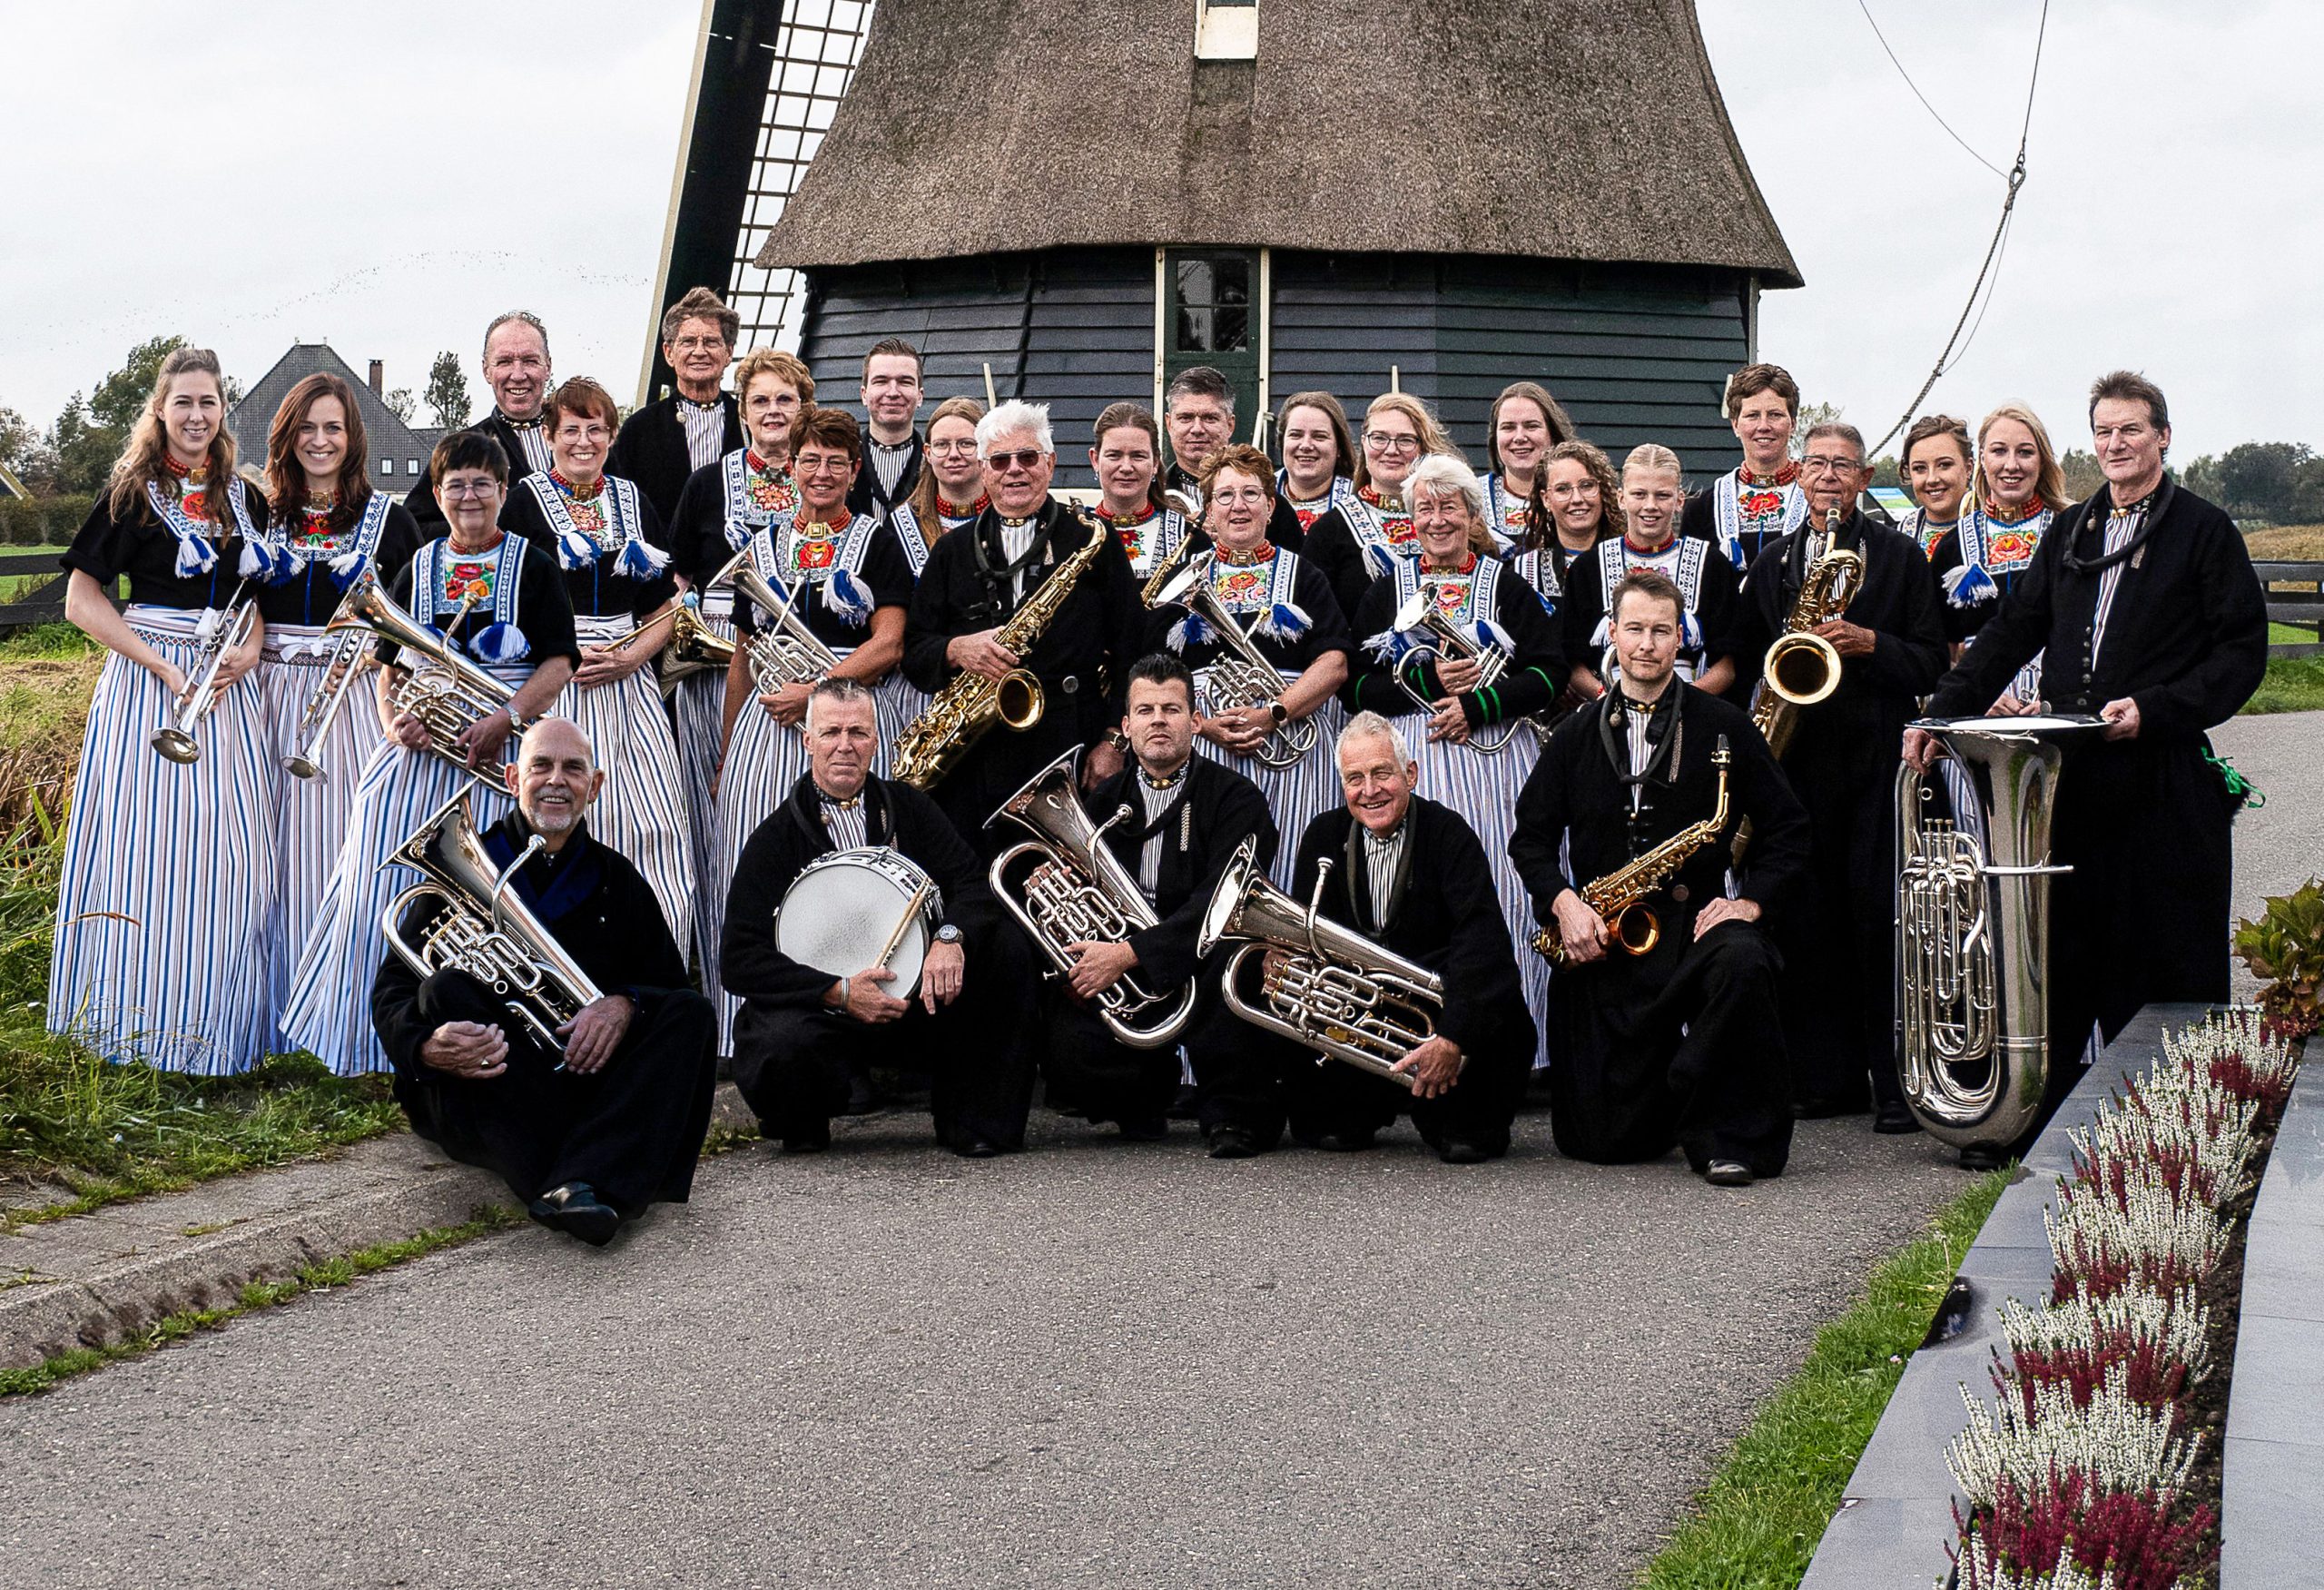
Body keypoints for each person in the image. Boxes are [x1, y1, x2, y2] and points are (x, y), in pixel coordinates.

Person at [1906, 371, 2267, 1158]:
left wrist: (2158, 707)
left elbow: (2242, 655)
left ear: (2163, 436)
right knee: (2066, 953)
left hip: (2163, 776)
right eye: (2103, 432)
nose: (2115, 445)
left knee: (2166, 959)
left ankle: (2174, 1133)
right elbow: (2011, 632)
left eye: (2131, 431)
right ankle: (2050, 1125)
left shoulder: (2206, 530)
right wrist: (1940, 710)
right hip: (2073, 780)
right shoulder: (2071, 533)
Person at [281, 430, 580, 1075]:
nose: (468, 496)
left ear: (503, 492)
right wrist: (394, 721)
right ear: (438, 495)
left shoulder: (535, 563)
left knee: (502, 897)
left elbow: (559, 662)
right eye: (455, 485)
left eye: (481, 484)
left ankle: (500, 1040)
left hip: (502, 754)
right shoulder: (417, 564)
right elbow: (387, 662)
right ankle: (372, 1047)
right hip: (421, 751)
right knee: (375, 878)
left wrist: (507, 718)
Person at [1512, 572, 1811, 1184]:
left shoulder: (1724, 724)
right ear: (1613, 635)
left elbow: (1789, 828)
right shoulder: (1573, 735)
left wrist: (1750, 903)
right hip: (1605, 938)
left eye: (1660, 631)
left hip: (1695, 929)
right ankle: (1668, 1092)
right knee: (1602, 1144)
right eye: (1635, 630)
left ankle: (1733, 1137)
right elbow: (1531, 841)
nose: (1646, 644)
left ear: (1681, 639)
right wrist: (1566, 904)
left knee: (1745, 961)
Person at [371, 717, 717, 1246]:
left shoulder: (617, 879)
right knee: (444, 992)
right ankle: (594, 1175)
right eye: (541, 766)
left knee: (691, 1014)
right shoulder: (463, 866)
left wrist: (624, 1005)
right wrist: (427, 1047)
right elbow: (392, 991)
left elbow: (670, 986)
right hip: (491, 1085)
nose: (556, 781)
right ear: (513, 778)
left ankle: (570, 1180)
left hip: (581, 1078)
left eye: (573, 769)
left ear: (593, 786)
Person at [49, 347, 276, 1074]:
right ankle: (132, 1031)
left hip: (224, 690)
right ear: (160, 410)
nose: (197, 416)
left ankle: (219, 1033)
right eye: (183, 402)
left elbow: (257, 599)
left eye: (209, 402)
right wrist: (158, 663)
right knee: (145, 854)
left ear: (222, 409)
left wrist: (252, 644)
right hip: (152, 681)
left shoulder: (248, 498)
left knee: (232, 858)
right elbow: (81, 603)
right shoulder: (132, 491)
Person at [1729, 421, 1945, 1127]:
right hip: (1796, 764)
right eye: (1816, 463)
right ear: (1798, 473)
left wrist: (1870, 642)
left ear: (1863, 476)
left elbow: (1931, 662)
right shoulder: (1771, 566)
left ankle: (1893, 1083)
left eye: (1842, 465)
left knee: (1876, 917)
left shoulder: (1900, 557)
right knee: (1809, 920)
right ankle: (1825, 1078)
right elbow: (1751, 669)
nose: (1827, 475)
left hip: (1875, 758)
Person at [722, 678, 1039, 1156]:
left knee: (1006, 950)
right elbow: (738, 957)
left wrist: (949, 938)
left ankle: (977, 1123)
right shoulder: (775, 838)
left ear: (877, 741)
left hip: (921, 1001)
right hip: (830, 1013)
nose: (844, 746)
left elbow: (972, 883)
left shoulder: (911, 807)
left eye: (858, 733)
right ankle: (803, 1119)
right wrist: (837, 991)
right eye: (830, 733)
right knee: (776, 1041)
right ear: (807, 740)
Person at [706, 406, 915, 1051]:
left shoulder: (877, 540)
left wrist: (819, 694)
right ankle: (744, 1035)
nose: (821, 473)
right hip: (767, 732)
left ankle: (858, 1027)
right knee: (750, 863)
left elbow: (890, 642)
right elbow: (745, 652)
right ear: (789, 467)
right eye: (809, 460)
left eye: (835, 462)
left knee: (845, 871)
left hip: (842, 728)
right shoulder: (761, 546)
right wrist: (726, 745)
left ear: (856, 470)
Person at [1344, 452, 1563, 1061]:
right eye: (1424, 508)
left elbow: (1549, 674)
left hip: (1493, 761)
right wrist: (1434, 682)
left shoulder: (1507, 583)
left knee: (1506, 892)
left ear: (1472, 514)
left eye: (1450, 507)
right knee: (1421, 898)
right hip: (1415, 760)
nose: (1437, 520)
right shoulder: (1387, 588)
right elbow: (1355, 686)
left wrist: (1482, 702)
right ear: (1408, 516)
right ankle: (1422, 1037)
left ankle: (1525, 1047)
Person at [1033, 655, 1281, 1152]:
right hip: (1126, 959)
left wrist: (1131, 953)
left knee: (1239, 969)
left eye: (1172, 708)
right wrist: (1054, 880)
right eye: (1145, 711)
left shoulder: (1236, 797)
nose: (1159, 721)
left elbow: (1224, 902)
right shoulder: (1101, 801)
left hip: (1206, 952)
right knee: (1065, 1033)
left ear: (1194, 721)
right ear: (1126, 726)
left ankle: (1234, 1116)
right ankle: (1139, 1104)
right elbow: (1085, 887)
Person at [1265, 712, 1534, 1160]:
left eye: (1381, 773)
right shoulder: (1323, 835)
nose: (1369, 790)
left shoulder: (1449, 834)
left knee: (1468, 1134)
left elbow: (1482, 944)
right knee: (1327, 1128)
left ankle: (1455, 1109)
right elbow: (1305, 935)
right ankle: (1354, 1106)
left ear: (1410, 773)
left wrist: (1453, 1038)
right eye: (1354, 778)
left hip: (1437, 1015)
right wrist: (1285, 958)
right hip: (1359, 1015)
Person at [255, 371, 423, 1043]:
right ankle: (269, 1021)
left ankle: (340, 1021)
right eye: (307, 427)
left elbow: (419, 624)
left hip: (353, 700)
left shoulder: (392, 519)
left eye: (333, 427)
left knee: (340, 856)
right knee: (265, 862)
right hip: (265, 698)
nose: (319, 440)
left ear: (353, 437)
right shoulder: (260, 513)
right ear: (287, 435)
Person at [497, 377, 694, 948]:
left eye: (596, 429)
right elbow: (508, 597)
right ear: (550, 436)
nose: (583, 441)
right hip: (553, 687)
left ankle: (656, 965)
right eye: (571, 430)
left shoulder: (633, 500)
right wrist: (560, 655)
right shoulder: (524, 502)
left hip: (627, 685)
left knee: (651, 822)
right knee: (563, 821)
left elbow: (667, 606)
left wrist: (631, 656)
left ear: (611, 435)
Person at [901, 399, 1142, 850]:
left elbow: (1134, 650)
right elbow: (914, 650)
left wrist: (1113, 741)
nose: (1015, 470)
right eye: (1000, 460)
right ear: (984, 470)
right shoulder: (952, 551)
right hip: (974, 759)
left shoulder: (1091, 541)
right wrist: (956, 649)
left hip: (1071, 748)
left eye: (1028, 457)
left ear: (1050, 464)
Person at [665, 347, 812, 974]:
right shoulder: (707, 483)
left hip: (810, 656)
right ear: (743, 411)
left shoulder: (830, 472)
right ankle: (725, 971)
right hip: (723, 661)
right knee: (722, 814)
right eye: (760, 401)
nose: (773, 411)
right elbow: (678, 574)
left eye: (785, 399)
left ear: (802, 408)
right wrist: (709, 636)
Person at [1147, 444, 1350, 885]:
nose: (1238, 506)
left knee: (1293, 859)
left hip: (1294, 743)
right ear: (1207, 510)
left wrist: (1273, 712)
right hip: (1205, 744)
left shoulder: (1305, 575)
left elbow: (1333, 664)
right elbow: (1155, 678)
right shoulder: (1180, 580)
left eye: (1251, 494)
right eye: (1224, 496)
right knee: (1209, 864)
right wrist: (1202, 725)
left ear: (1271, 505)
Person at [1560, 443, 1742, 698]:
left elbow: (1728, 665)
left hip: (1690, 706)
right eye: (1639, 494)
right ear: (1621, 498)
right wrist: (1608, 698)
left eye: (1662, 495)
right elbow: (1573, 663)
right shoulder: (1588, 568)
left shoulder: (1712, 565)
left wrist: (1684, 704)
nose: (1650, 506)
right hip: (1610, 706)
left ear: (1680, 500)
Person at [1928, 403, 2072, 708]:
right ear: (1981, 458)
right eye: (1998, 451)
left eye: (2025, 452)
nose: (2011, 465)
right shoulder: (1952, 546)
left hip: (2055, 709)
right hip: (1975, 714)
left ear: (2042, 460)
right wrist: (1977, 697)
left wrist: (2054, 700)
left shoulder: (2071, 536)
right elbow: (1939, 649)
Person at [1303, 391, 1458, 622]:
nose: (1392, 450)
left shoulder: (1452, 522)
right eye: (1379, 438)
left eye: (1405, 440)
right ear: (1364, 442)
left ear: (1423, 448)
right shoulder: (1330, 531)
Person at [608, 286, 744, 523]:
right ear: (669, 352)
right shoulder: (639, 430)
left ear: (729, 352)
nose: (699, 352)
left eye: (711, 342)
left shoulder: (748, 425)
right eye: (688, 342)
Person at [409, 311, 555, 529]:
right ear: (486, 371)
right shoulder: (461, 448)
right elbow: (416, 527)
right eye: (504, 362)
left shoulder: (585, 443)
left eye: (530, 361)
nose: (518, 375)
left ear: (548, 367)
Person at [1679, 362, 1807, 575]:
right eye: (1752, 415)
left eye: (1775, 414)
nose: (1763, 426)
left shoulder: (1816, 502)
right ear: (1735, 425)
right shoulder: (1702, 511)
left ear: (1792, 423)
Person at [1164, 366, 1304, 547]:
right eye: (1185, 418)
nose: (1197, 429)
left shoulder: (1271, 505)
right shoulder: (1152, 501)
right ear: (1169, 424)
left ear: (1230, 424)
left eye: (1209, 418)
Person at [1509, 438, 1620, 621]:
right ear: (1546, 499)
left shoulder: (1627, 560)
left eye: (1587, 486)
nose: (1577, 498)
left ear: (1602, 491)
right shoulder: (1524, 571)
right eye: (1563, 489)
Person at [1088, 402, 1196, 583]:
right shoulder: (1075, 532)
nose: (1126, 467)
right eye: (1114, 455)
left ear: (1155, 463)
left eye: (1138, 456)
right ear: (1095, 460)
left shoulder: (1188, 537)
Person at [889, 394, 987, 576]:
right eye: (942, 445)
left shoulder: (1006, 517)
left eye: (966, 444)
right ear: (928, 453)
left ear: (986, 449)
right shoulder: (900, 526)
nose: (954, 454)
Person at [1480, 380, 1578, 547]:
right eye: (1508, 427)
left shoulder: (1583, 495)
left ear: (1552, 433)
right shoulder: (1473, 498)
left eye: (1531, 426)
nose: (1519, 437)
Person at [849, 337, 925, 524]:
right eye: (881, 381)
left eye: (905, 382)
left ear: (920, 396)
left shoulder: (935, 465)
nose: (892, 392)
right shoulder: (841, 463)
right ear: (864, 395)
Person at [1272, 390, 1359, 534]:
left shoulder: (1360, 501)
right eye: (1296, 435)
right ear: (1282, 442)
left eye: (1319, 436)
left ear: (1339, 447)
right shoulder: (1257, 495)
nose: (1306, 445)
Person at [1896, 414, 1973, 558]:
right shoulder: (1897, 541)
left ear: (1968, 468)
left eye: (1944, 465)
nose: (1932, 479)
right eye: (1920, 468)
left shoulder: (1995, 530)